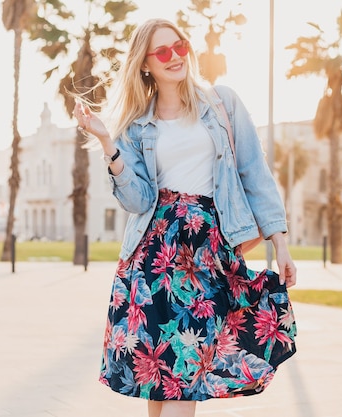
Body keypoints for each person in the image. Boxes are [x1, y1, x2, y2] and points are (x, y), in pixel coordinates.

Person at [72, 18, 297, 417]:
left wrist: (280, 242)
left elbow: (254, 171)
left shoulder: (221, 103)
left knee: (188, 375)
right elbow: (139, 200)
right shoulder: (136, 125)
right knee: (163, 382)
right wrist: (108, 144)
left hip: (208, 254)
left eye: (180, 46)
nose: (175, 56)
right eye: (162, 51)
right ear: (145, 63)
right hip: (153, 256)